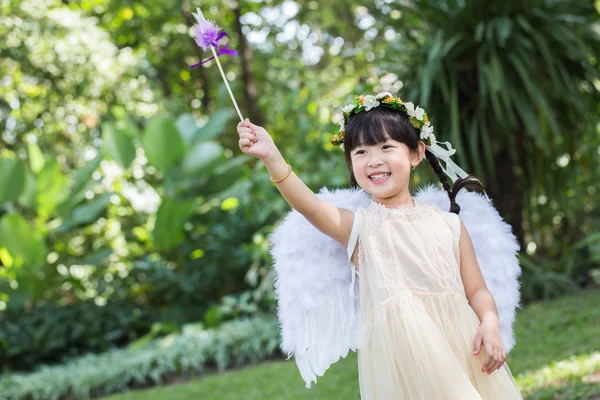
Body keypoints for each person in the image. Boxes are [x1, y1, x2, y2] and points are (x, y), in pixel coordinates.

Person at [237, 92, 523, 399]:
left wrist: (490, 323)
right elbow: (311, 207)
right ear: (350, 163)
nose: (374, 160)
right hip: (404, 359)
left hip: (461, 343)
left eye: (386, 147)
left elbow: (477, 290)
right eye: (360, 152)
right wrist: (271, 157)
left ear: (416, 153)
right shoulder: (360, 227)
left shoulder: (451, 224)